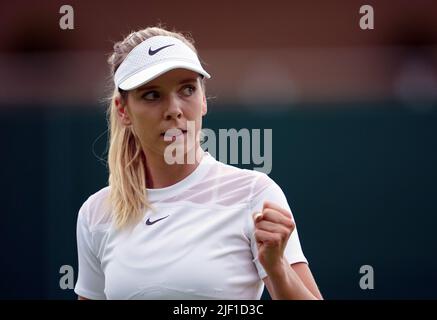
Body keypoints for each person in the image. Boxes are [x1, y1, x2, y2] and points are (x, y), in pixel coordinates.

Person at [74, 26, 323, 300]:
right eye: (152, 95)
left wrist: (277, 268)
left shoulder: (255, 194)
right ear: (123, 110)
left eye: (187, 89)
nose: (174, 110)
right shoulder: (96, 215)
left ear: (203, 100)